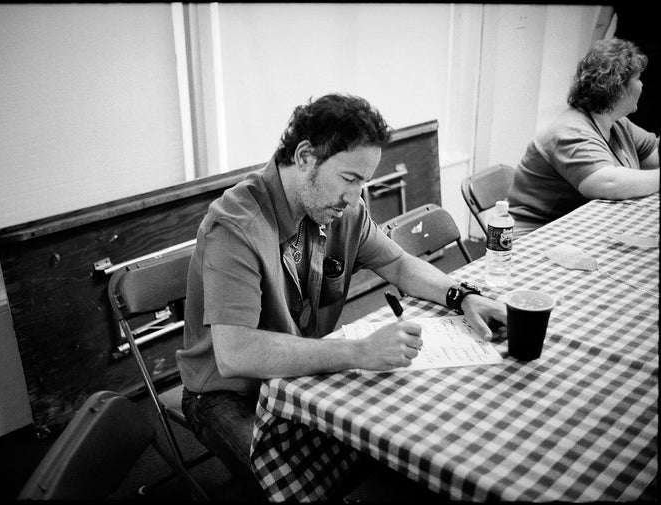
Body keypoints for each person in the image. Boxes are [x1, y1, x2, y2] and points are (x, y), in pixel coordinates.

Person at [175, 93, 506, 497]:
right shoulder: (235, 228)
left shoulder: (337, 208)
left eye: (363, 182)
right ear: (304, 157)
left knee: (400, 441)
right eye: (349, 179)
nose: (355, 197)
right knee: (304, 488)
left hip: (299, 370)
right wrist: (358, 353)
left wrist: (463, 296)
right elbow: (235, 354)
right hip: (226, 394)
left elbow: (399, 265)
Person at [507, 38, 660, 239]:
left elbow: (654, 158)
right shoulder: (572, 131)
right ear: (620, 89)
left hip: (575, 231)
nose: (642, 84)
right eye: (638, 78)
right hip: (535, 238)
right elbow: (609, 184)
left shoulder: (617, 123)